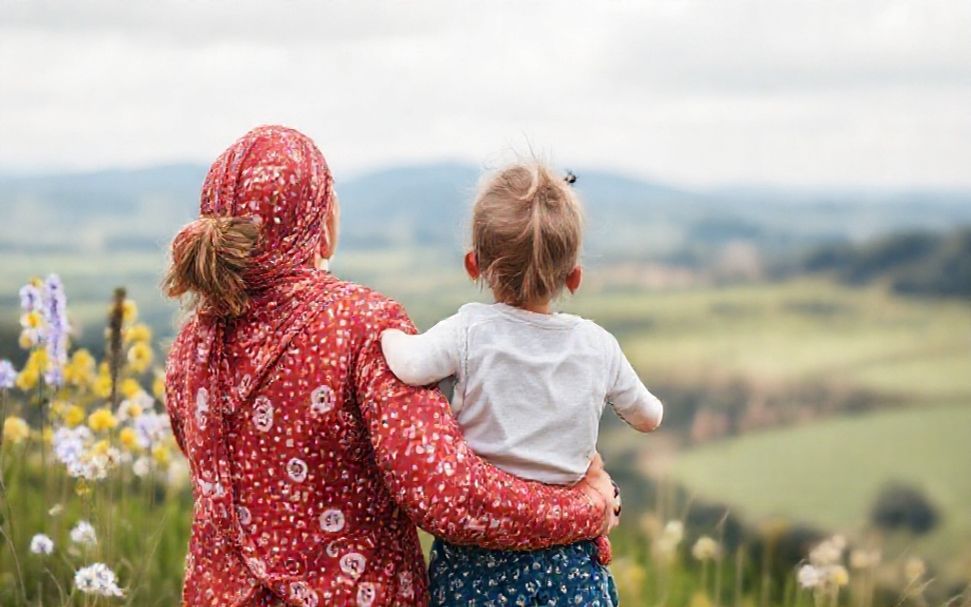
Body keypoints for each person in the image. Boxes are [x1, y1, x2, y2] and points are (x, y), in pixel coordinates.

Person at [162, 126, 619, 607]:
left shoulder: (192, 347)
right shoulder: (361, 327)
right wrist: (584, 508)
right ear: (321, 223)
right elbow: (450, 496)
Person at [381, 162, 664, 606]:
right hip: (568, 563)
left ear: (474, 265)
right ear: (574, 277)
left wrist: (384, 330)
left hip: (474, 564)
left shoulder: (469, 329)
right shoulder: (598, 345)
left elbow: (408, 364)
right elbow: (648, 417)